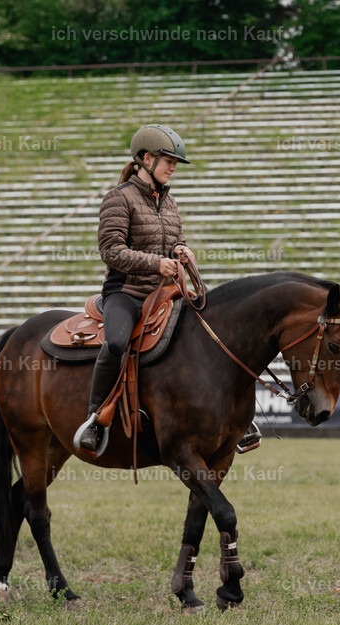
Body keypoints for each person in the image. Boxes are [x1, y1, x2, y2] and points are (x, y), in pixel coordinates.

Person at [73, 124, 261, 455]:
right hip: (127, 294)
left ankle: (238, 419)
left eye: (175, 163)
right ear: (147, 159)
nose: (173, 168)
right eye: (169, 161)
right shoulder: (118, 199)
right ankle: (95, 419)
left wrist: (182, 251)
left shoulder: (169, 201)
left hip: (168, 294)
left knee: (214, 332)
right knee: (116, 343)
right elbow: (111, 251)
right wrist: (154, 263)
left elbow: (175, 240)